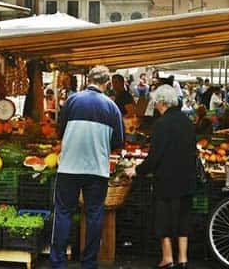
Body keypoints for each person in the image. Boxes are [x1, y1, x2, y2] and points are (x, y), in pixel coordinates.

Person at [50, 65, 124, 269]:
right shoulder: (112, 107)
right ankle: (89, 263)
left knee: (63, 212)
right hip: (97, 169)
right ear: (107, 83)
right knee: (94, 215)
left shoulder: (72, 101)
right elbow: (118, 142)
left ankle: (58, 263)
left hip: (69, 167)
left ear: (88, 79)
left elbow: (60, 131)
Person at [127, 85, 196, 269]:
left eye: (156, 102)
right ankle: (183, 258)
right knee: (183, 218)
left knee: (163, 218)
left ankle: (167, 258)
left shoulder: (162, 124)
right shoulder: (187, 122)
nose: (155, 105)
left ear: (163, 102)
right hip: (187, 178)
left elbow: (155, 156)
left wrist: (138, 170)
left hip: (167, 180)